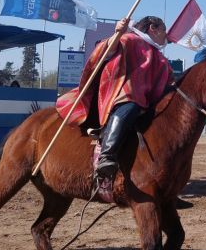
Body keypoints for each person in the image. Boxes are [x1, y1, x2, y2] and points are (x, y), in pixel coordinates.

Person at [56, 16, 172, 181]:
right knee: (131, 103)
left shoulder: (157, 54)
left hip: (147, 98)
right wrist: (117, 33)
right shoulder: (129, 39)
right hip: (122, 91)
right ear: (153, 28)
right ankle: (107, 155)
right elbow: (106, 50)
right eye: (164, 31)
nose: (165, 36)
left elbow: (168, 79)